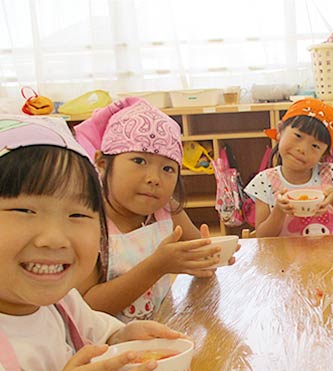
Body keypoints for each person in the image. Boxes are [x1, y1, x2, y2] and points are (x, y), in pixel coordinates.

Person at [0, 115, 187, 371]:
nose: (55, 238)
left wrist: (126, 335)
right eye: (24, 211)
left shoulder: (59, 302)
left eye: (78, 215)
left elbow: (102, 331)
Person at [74, 97, 231, 322]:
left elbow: (196, 257)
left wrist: (210, 258)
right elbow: (87, 310)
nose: (154, 179)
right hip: (106, 349)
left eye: (167, 168)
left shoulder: (166, 210)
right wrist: (156, 267)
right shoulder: (87, 222)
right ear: (102, 163)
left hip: (159, 341)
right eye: (139, 161)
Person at [244, 98, 333, 237]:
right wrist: (279, 211)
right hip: (284, 259)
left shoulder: (331, 174)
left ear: (323, 154)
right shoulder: (265, 181)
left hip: (328, 258)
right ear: (280, 131)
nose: (303, 149)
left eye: (315, 146)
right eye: (298, 136)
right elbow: (262, 238)